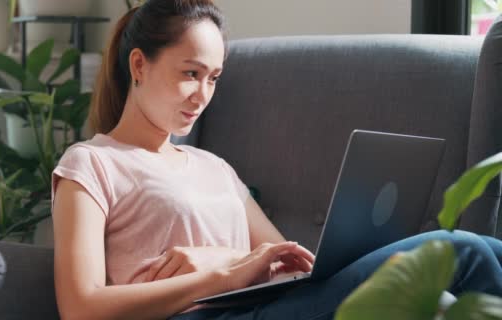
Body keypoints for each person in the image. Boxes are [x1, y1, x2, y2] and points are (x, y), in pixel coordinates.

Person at [50, 0, 502, 319]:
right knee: (462, 249)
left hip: (263, 306)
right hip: (196, 316)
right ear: (139, 66)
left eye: (213, 78)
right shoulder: (91, 163)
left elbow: (286, 262)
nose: (202, 95)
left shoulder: (213, 166)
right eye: (190, 73)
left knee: (486, 250)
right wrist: (221, 277)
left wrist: (216, 259)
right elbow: (83, 307)